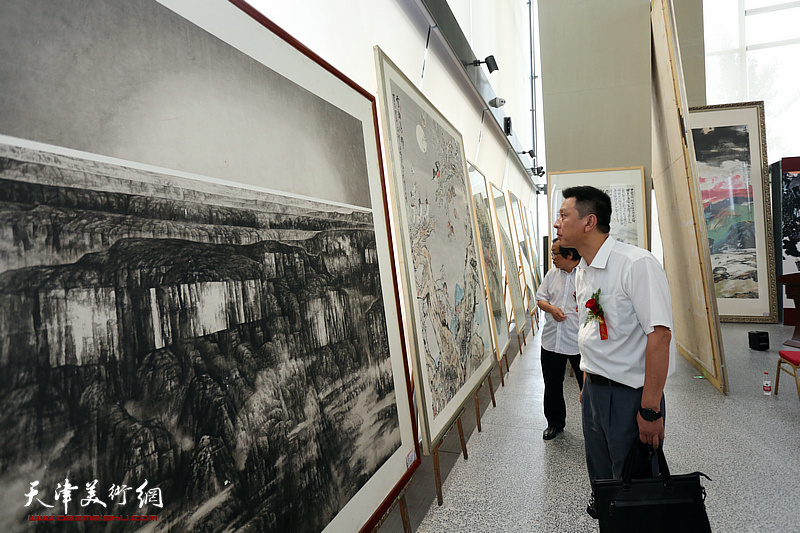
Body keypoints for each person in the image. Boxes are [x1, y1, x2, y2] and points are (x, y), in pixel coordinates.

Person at [553, 185, 676, 517]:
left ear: (589, 221)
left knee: (635, 485)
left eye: (564, 215)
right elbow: (595, 327)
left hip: (630, 396)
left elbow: (660, 335)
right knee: (604, 482)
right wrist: (589, 379)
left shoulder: (636, 264)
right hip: (594, 392)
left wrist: (650, 409)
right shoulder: (583, 270)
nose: (557, 223)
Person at [535, 238, 583, 441]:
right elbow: (540, 299)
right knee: (552, 384)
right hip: (552, 340)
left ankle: (596, 427)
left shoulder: (585, 275)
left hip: (579, 343)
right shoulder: (551, 274)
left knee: (588, 387)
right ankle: (554, 423)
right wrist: (551, 308)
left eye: (555, 254)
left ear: (570, 255)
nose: (552, 258)